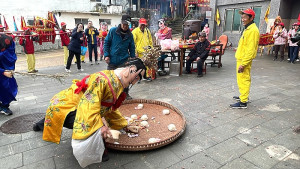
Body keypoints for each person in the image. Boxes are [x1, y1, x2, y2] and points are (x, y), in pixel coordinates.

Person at [33, 58, 146, 167]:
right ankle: (101, 152)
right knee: (91, 123)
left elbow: (108, 109)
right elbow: (89, 105)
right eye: (137, 78)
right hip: (69, 104)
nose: (135, 82)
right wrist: (100, 126)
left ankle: (40, 124)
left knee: (60, 116)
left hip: (78, 103)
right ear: (131, 69)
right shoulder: (104, 80)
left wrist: (124, 125)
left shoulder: (118, 81)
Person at [230, 8, 260, 109]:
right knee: (241, 79)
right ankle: (243, 96)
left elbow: (251, 49)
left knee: (244, 79)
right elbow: (246, 45)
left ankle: (243, 102)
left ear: (251, 18)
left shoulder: (253, 30)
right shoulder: (248, 28)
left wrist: (244, 63)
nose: (243, 19)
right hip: (241, 57)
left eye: (245, 17)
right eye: (242, 17)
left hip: (244, 60)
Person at [104, 14, 136, 99]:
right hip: (113, 59)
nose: (125, 26)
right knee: (110, 79)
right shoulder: (113, 31)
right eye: (124, 24)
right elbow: (106, 43)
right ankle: (109, 96)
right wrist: (106, 55)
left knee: (125, 79)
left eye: (127, 24)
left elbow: (132, 47)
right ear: (121, 22)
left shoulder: (130, 34)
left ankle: (125, 95)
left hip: (124, 60)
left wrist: (133, 57)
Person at [0, 34, 17, 116]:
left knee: (10, 87)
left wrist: (9, 68)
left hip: (5, 69)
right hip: (2, 71)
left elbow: (11, 52)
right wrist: (2, 71)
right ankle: (2, 106)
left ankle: (5, 105)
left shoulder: (7, 39)